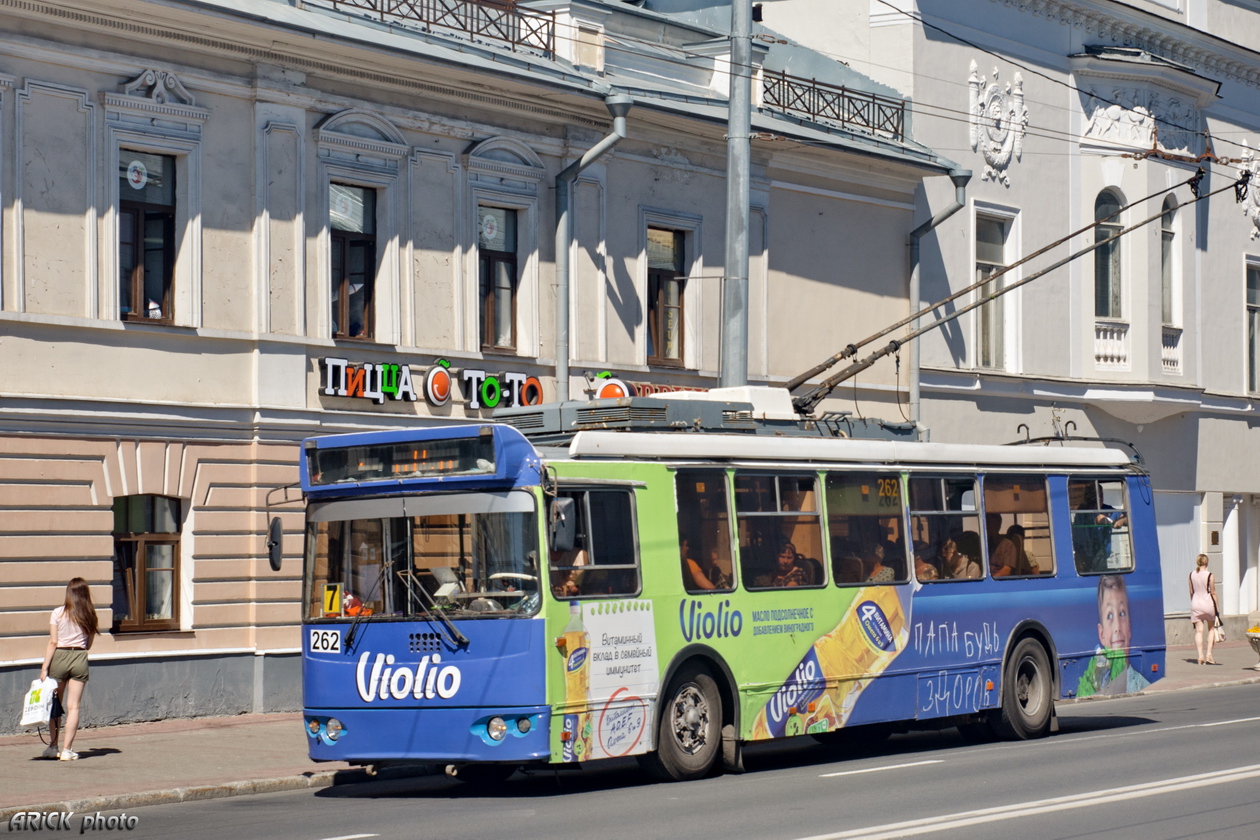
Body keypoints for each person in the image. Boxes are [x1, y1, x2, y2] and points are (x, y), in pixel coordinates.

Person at [39, 578, 98, 761]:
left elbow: (53, 642)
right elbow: (88, 645)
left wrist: (44, 667)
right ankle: (67, 750)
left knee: (56, 705)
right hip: (79, 657)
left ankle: (52, 747)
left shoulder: (57, 613)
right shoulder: (89, 615)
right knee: (74, 707)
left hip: (59, 657)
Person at [1076, 575, 1151, 698]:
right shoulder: (1090, 687)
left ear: (1129, 627)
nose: (1117, 627)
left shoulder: (1140, 685)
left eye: (1122, 613)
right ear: (1102, 634)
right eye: (1110, 616)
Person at [1188, 553, 1220, 665]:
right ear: (1207, 562)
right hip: (1208, 604)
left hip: (1196, 604)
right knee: (1211, 628)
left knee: (1199, 631)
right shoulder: (1210, 575)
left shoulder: (1191, 575)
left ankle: (1200, 656)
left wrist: (1193, 602)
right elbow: (1213, 592)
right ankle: (1209, 655)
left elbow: (1191, 592)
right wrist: (1217, 606)